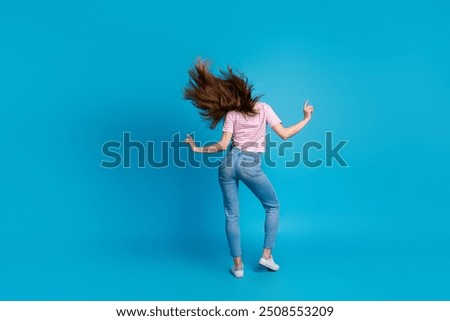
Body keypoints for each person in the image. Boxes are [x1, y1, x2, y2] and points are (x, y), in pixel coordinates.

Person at [183, 58, 314, 278]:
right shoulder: (263, 108)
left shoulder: (231, 114)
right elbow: (285, 134)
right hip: (249, 163)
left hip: (227, 164)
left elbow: (223, 146)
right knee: (272, 206)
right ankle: (267, 255)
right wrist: (306, 118)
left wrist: (196, 149)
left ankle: (238, 266)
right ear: (246, 90)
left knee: (232, 216)